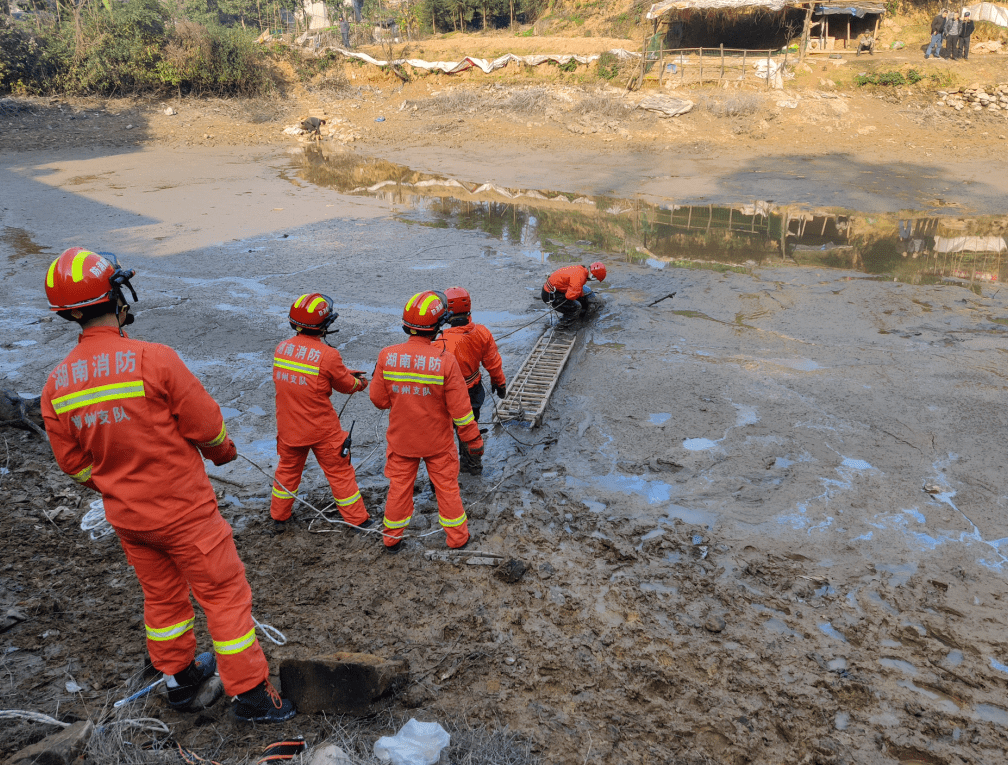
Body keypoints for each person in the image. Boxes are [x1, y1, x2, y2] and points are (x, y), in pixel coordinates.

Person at [39, 247, 295, 723]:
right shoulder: (154, 359)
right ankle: (254, 697)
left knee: (162, 599)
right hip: (186, 514)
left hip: (130, 521)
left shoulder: (56, 385)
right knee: (224, 596)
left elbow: (71, 464)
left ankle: (179, 682)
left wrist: (116, 485)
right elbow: (207, 427)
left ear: (68, 313)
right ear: (115, 297)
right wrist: (224, 454)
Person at [369, 291, 483, 553]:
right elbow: (461, 412)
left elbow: (378, 400)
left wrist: (403, 398)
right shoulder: (445, 361)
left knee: (398, 490)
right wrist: (473, 440)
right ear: (438, 326)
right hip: (438, 443)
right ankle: (457, 539)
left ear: (406, 325)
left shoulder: (387, 356)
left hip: (401, 442)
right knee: (447, 489)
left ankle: (391, 539)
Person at [270, 292, 371, 532]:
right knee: (340, 473)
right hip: (321, 429)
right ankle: (358, 521)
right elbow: (346, 385)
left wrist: (341, 371)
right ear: (325, 325)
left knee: (287, 472)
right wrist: (359, 382)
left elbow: (310, 370)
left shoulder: (282, 348)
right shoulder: (329, 355)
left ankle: (279, 517)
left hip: (289, 427)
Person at [437, 287, 507, 475]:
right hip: (472, 393)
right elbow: (493, 362)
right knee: (469, 427)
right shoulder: (482, 332)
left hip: (445, 397)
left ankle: (444, 472)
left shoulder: (439, 341)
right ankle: (472, 465)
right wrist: (499, 383)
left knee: (443, 434)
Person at [541, 262, 607, 326]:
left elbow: (577, 288)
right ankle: (563, 325)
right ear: (593, 276)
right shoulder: (579, 277)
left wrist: (581, 295)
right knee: (576, 307)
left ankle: (572, 315)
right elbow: (569, 296)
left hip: (553, 290)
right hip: (550, 295)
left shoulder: (581, 270)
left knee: (580, 299)